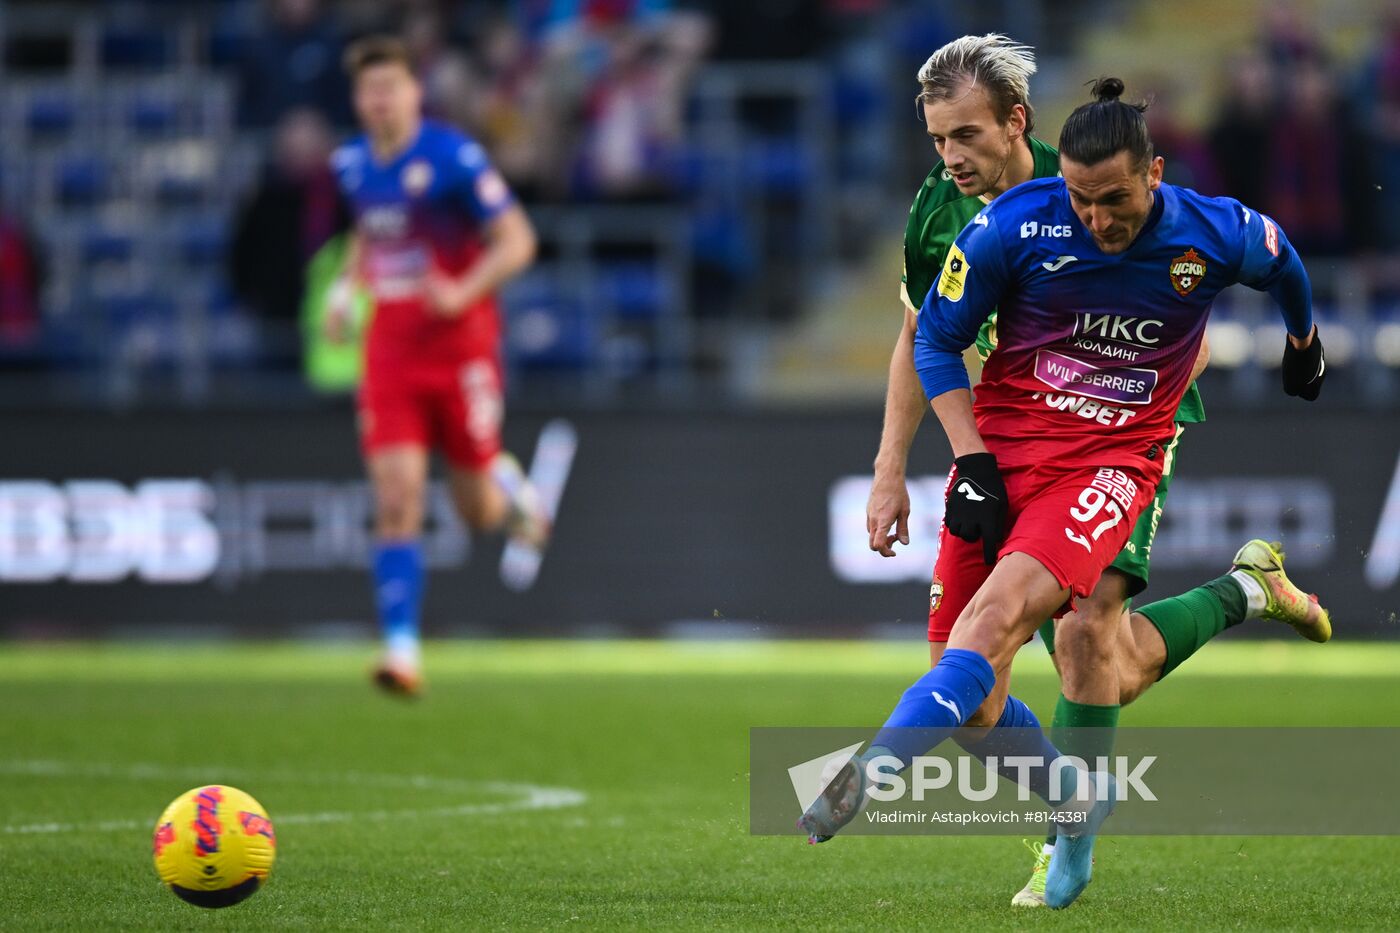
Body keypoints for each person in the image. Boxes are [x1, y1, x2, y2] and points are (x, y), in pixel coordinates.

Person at [807, 73, 1330, 910]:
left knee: (1033, 628)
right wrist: (969, 460)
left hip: (1110, 461)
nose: (1098, 220)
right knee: (979, 694)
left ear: (1153, 174)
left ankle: (872, 776)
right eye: (1083, 203)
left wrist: (1304, 341)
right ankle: (1093, 776)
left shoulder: (1210, 230)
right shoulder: (1012, 224)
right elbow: (935, 339)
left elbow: (1283, 260)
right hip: (1008, 455)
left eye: (1115, 199)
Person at [329, 36, 549, 696]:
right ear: (358, 99)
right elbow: (370, 231)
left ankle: (506, 490)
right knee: (396, 499)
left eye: (391, 86)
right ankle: (401, 648)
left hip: (460, 348)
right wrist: (345, 289)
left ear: (414, 92)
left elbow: (518, 240)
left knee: (475, 510)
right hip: (391, 348)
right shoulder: (351, 165)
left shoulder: (453, 157)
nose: (381, 100)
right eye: (370, 90)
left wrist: (463, 290)